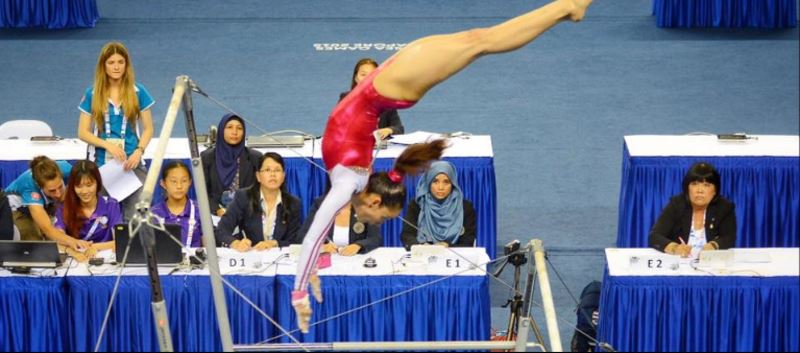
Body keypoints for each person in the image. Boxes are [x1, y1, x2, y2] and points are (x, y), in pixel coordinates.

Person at [293, 0, 593, 332]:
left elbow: (312, 237)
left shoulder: (347, 184)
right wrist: (311, 272)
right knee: (482, 42)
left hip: (394, 79)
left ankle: (567, 7)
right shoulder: (357, 174)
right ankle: (564, 8)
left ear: (376, 200)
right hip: (395, 75)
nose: (371, 220)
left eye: (379, 217)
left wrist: (299, 292)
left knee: (483, 41)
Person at [77, 41, 154, 219]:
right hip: (103, 166)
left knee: (137, 219)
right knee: (101, 220)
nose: (116, 67)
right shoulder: (93, 93)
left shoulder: (138, 91)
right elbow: (83, 132)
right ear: (103, 66)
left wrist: (139, 151)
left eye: (120, 62)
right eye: (111, 63)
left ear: (127, 65)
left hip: (132, 163)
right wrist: (108, 146)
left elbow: (148, 128)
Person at [215, 153, 302, 252]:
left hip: (278, 259)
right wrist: (236, 243)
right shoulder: (243, 197)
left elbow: (295, 240)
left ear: (283, 176)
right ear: (258, 176)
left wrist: (275, 243)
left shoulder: (293, 203)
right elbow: (221, 230)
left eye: (277, 170)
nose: (273, 174)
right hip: (250, 256)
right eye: (267, 170)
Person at [649, 162, 737, 258]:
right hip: (680, 263)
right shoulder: (676, 205)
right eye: (695, 184)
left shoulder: (724, 207)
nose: (700, 190)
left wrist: (713, 245)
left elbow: (729, 238)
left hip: (711, 264)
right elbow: (654, 236)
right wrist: (675, 248)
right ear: (687, 188)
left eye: (706, 185)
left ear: (715, 191)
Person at [4, 156, 89, 252]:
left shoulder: (66, 169)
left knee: (58, 238)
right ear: (39, 186)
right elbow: (47, 228)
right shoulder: (29, 187)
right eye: (52, 190)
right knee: (35, 243)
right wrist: (73, 242)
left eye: (60, 186)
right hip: (17, 209)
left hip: (46, 203)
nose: (58, 193)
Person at [54, 160, 122, 261]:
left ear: (98, 183)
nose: (85, 191)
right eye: (79, 186)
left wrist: (95, 247)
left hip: (104, 260)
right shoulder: (64, 207)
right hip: (75, 261)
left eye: (89, 185)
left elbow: (120, 241)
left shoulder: (111, 205)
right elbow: (57, 239)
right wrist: (72, 251)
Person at [401, 161, 476, 249]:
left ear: (453, 184)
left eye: (446, 182)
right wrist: (420, 246)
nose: (441, 187)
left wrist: (448, 246)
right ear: (428, 182)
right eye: (435, 181)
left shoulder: (465, 207)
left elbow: (468, 241)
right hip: (423, 255)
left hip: (454, 256)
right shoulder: (417, 204)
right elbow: (407, 235)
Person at [201, 113, 262, 217]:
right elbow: (203, 192)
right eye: (229, 127)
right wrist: (217, 210)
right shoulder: (207, 157)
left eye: (239, 128)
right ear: (221, 130)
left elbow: (260, 191)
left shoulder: (255, 157)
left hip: (247, 214)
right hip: (216, 215)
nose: (235, 132)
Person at [339, 58, 404, 140]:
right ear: (356, 78)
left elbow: (399, 128)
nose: (367, 78)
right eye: (363, 74)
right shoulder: (346, 99)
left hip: (379, 149)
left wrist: (388, 130)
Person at [302, 196, 382, 257]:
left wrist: (358, 245)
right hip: (326, 262)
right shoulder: (320, 204)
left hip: (355, 262)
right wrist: (320, 247)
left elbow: (375, 238)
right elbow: (303, 235)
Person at [150, 161, 203, 247]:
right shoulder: (152, 214)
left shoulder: (201, 211)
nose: (179, 186)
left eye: (184, 181)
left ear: (190, 182)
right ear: (163, 184)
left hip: (194, 260)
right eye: (174, 181)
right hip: (163, 260)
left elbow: (209, 248)